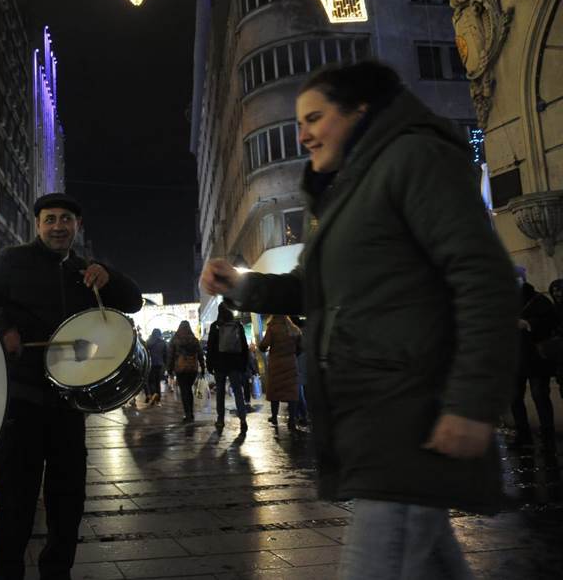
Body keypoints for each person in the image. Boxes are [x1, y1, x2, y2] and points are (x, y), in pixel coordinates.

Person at [200, 61, 517, 580]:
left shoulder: (412, 158)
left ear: (360, 111)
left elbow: (484, 279)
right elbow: (311, 286)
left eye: (314, 118)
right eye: (299, 123)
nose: (302, 135)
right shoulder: (348, 194)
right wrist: (240, 285)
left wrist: (470, 403)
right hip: (374, 418)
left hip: (409, 416)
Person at [0, 193, 142, 580]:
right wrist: (4, 329)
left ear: (77, 226)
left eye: (66, 219)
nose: (58, 226)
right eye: (50, 219)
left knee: (68, 504)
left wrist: (109, 276)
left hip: (68, 406)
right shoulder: (13, 260)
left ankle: (57, 573)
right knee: (15, 504)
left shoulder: (84, 270)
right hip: (20, 402)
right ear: (38, 225)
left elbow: (134, 302)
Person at [512, 282, 557, 451]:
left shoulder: (539, 301)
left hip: (536, 359)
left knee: (540, 396)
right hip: (515, 358)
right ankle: (523, 435)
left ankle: (547, 437)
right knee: (515, 398)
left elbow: (551, 323)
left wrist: (528, 323)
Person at [205, 303, 249, 432]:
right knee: (238, 391)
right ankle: (243, 419)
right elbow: (244, 346)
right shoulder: (237, 325)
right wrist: (244, 364)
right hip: (235, 363)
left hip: (219, 364)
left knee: (220, 392)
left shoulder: (215, 326)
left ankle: (220, 420)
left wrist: (209, 364)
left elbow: (210, 347)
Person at [257, 315, 301, 430]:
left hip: (276, 365)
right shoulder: (294, 328)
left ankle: (274, 417)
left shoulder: (272, 328)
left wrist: (263, 348)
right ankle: (292, 420)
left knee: (275, 392)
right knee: (291, 393)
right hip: (291, 364)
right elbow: (301, 347)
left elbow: (263, 345)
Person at [168, 320, 204, 423]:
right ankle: (191, 413)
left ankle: (187, 414)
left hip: (181, 369)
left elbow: (170, 355)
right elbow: (200, 354)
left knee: (184, 391)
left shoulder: (175, 339)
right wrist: (203, 367)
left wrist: (169, 369)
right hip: (192, 368)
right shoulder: (194, 340)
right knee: (189, 389)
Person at [144, 329, 168, 405]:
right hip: (160, 364)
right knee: (158, 381)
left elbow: (145, 353)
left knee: (151, 380)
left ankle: (154, 393)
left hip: (151, 364)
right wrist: (165, 364)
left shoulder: (148, 342)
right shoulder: (163, 343)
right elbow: (166, 355)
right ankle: (158, 399)